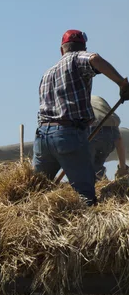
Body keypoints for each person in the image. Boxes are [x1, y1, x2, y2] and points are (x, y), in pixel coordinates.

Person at [33, 29, 129, 205]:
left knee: (37, 190)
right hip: (68, 135)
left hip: (42, 137)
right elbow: (94, 59)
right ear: (83, 47)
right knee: (85, 195)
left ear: (61, 49)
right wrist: (122, 83)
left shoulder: (47, 73)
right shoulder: (77, 58)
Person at [89, 95, 129, 179]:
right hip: (111, 130)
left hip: (92, 128)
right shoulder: (96, 97)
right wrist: (122, 168)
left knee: (87, 169)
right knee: (96, 168)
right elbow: (119, 140)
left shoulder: (78, 100)